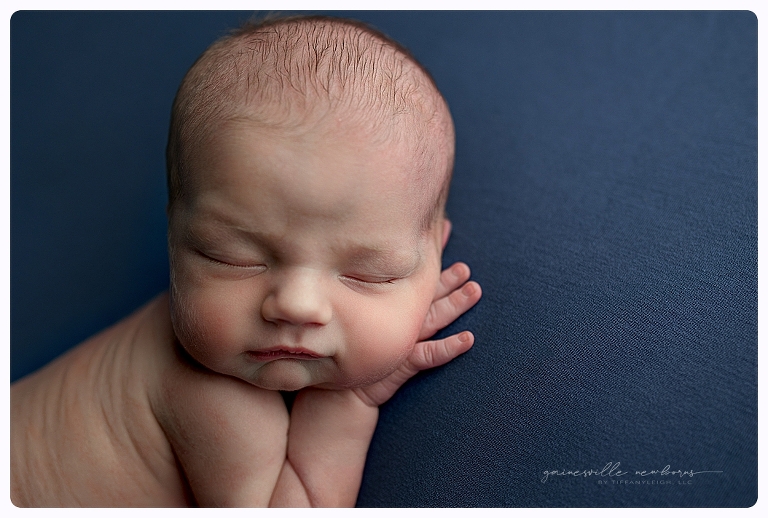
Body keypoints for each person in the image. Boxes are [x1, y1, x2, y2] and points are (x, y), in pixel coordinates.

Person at [10, 15, 482, 507]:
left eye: (369, 273)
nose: (297, 305)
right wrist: (347, 403)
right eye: (233, 259)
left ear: (436, 251)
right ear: (174, 239)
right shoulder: (215, 400)